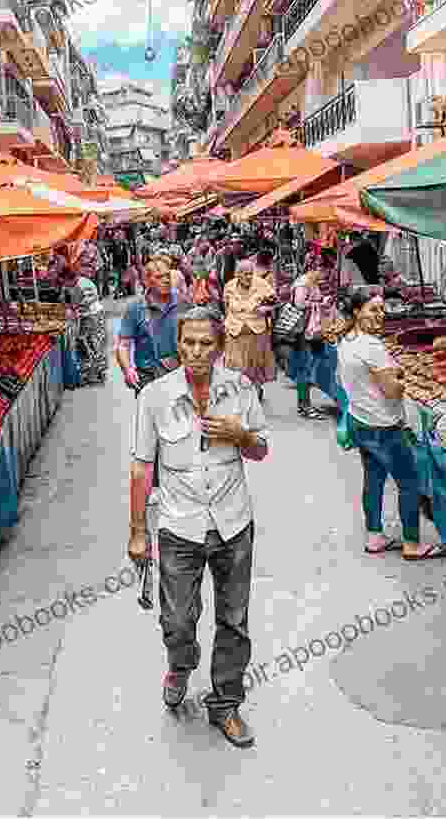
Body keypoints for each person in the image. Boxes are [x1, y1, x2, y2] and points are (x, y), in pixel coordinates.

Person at [128, 306, 269, 747]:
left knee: (234, 619)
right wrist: (137, 531)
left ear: (221, 346)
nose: (196, 352)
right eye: (188, 342)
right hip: (178, 526)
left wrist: (240, 434)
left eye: (206, 343)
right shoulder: (154, 397)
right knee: (178, 618)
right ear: (178, 345)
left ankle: (225, 703)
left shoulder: (241, 389)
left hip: (233, 523)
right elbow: (141, 467)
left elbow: (261, 450)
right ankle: (180, 662)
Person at [337, 289, 446, 560]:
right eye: (373, 310)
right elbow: (393, 392)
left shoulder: (347, 340)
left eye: (381, 309)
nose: (380, 315)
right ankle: (412, 544)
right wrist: (400, 376)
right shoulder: (372, 348)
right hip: (384, 426)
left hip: (360, 420)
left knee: (373, 481)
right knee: (409, 483)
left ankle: (374, 536)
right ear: (357, 312)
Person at [116, 257, 179, 395]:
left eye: (167, 275)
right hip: (148, 378)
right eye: (159, 277)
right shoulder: (136, 308)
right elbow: (123, 345)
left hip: (178, 376)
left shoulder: (182, 302)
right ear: (147, 281)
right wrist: (128, 370)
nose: (166, 280)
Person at [223, 261, 277, 401]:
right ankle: (238, 391)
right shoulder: (229, 286)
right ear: (238, 275)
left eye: (250, 274)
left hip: (257, 331)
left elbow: (273, 302)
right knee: (236, 364)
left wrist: (264, 309)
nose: (249, 277)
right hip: (235, 331)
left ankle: (255, 390)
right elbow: (226, 308)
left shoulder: (261, 284)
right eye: (245, 274)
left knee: (256, 364)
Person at [288, 267, 328, 419]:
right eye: (325, 271)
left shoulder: (312, 282)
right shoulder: (303, 284)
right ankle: (305, 406)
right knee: (304, 368)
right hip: (303, 331)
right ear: (317, 269)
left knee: (306, 367)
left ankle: (304, 405)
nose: (326, 275)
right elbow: (299, 304)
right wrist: (317, 303)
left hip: (308, 330)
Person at [62, 267, 107, 386]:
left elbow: (89, 300)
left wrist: (76, 309)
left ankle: (96, 373)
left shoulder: (82, 285)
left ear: (69, 278)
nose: (65, 285)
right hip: (88, 315)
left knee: (91, 343)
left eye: (65, 281)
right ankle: (94, 372)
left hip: (92, 316)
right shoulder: (77, 284)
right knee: (88, 343)